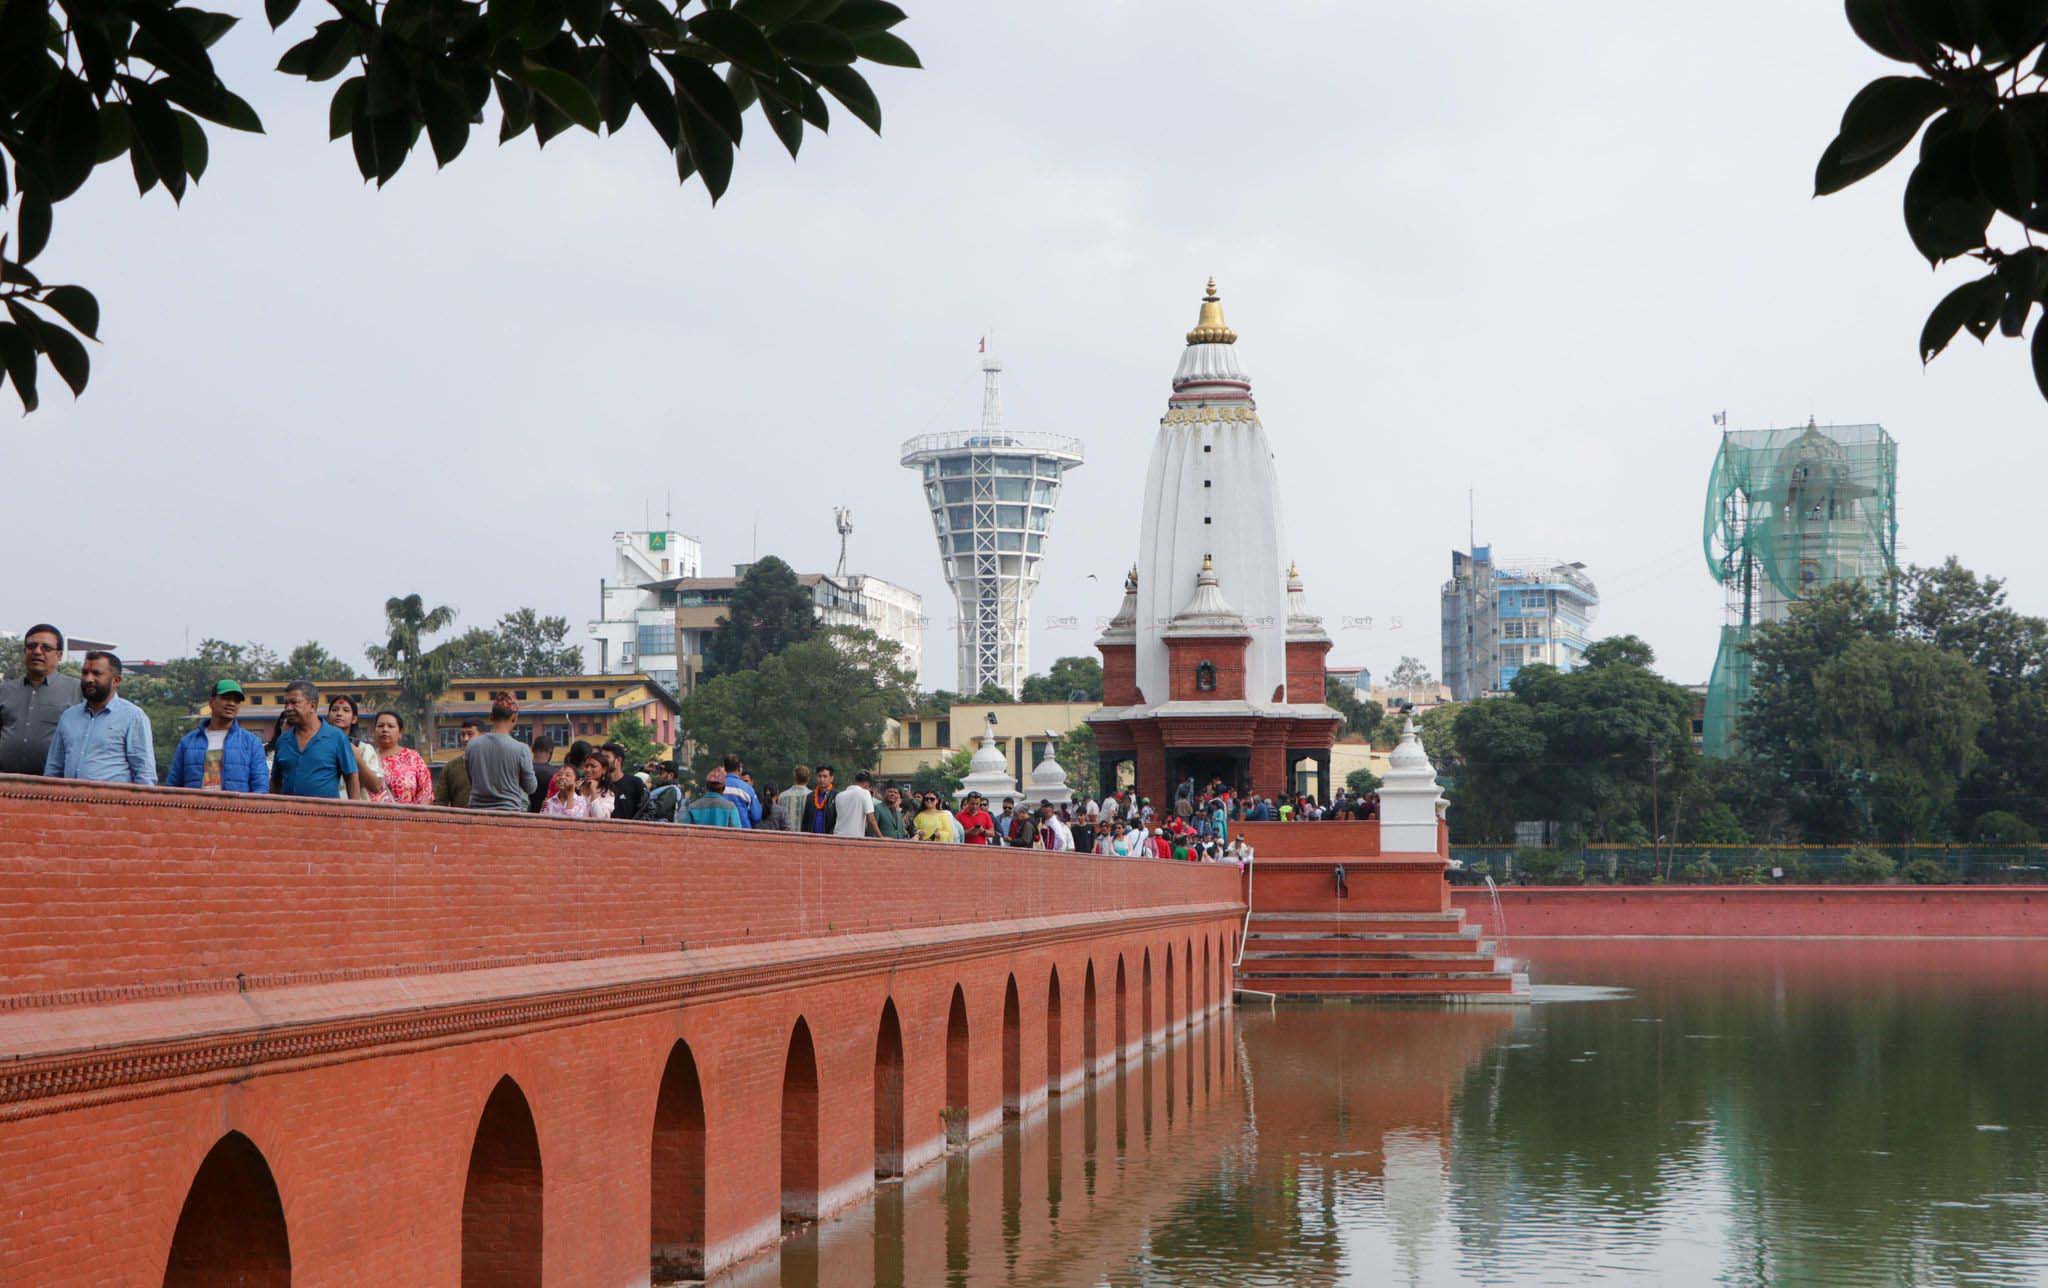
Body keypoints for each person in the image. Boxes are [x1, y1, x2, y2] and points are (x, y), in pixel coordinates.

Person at [0, 623, 82, 775]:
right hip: (6, 785)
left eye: (46, 648)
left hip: (53, 787)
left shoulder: (77, 690)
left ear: (59, 655)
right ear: (25, 651)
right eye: (31, 646)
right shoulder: (5, 690)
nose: (37, 651)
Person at [167, 679, 267, 793]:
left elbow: (260, 787)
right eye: (226, 698)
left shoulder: (252, 743)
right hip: (196, 810)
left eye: (236, 700)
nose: (231, 703)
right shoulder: (188, 742)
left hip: (235, 810)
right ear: (212, 702)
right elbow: (173, 786)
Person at [271, 679, 360, 798]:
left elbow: (351, 777)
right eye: (286, 703)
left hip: (327, 814)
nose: (288, 708)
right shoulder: (282, 741)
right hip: (289, 815)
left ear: (312, 706)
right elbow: (275, 781)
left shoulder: (336, 737)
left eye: (294, 702)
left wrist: (353, 814)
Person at [465, 693, 537, 812]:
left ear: (491, 717)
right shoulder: (521, 749)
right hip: (509, 816)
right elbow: (531, 788)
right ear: (514, 718)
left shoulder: (472, 746)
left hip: (476, 814)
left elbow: (472, 781)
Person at [326, 695, 386, 800]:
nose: (339, 714)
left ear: (354, 719)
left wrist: (357, 758)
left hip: (355, 811)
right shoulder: (319, 746)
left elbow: (376, 787)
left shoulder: (363, 749)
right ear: (328, 717)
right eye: (334, 710)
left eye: (345, 710)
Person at [367, 711, 432, 804]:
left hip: (409, 817)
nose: (385, 729)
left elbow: (426, 792)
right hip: (372, 817)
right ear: (374, 731)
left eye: (390, 726)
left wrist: (417, 817)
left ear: (400, 733)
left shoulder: (413, 757)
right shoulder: (367, 757)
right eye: (380, 726)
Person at [433, 719, 482, 806]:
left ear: (482, 736)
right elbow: (440, 801)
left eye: (470, 734)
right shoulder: (450, 767)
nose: (465, 739)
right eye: (463, 735)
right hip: (459, 818)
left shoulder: (492, 765)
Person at [601, 742, 645, 821]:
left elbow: (645, 809)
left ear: (618, 760)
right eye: (601, 757)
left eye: (606, 757)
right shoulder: (599, 784)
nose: (602, 761)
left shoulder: (635, 783)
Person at [830, 769, 880, 838]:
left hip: (837, 836)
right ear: (867, 784)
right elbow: (871, 820)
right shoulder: (865, 793)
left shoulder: (839, 795)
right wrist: (881, 837)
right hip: (854, 838)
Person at [719, 753, 760, 828]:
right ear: (739, 769)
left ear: (724, 768)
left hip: (720, 833)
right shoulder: (748, 789)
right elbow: (756, 816)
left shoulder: (717, 786)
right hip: (743, 834)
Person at [801, 764, 840, 834]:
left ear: (831, 778)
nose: (822, 779)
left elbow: (839, 820)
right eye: (819, 776)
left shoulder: (837, 796)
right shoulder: (810, 796)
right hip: (811, 838)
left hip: (829, 838)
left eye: (825, 776)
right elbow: (805, 821)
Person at [578, 754, 615, 819]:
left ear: (604, 769)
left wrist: (593, 791)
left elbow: (600, 818)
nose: (588, 770)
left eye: (593, 766)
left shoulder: (607, 794)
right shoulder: (576, 787)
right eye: (586, 766)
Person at [775, 765, 811, 831]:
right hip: (805, 837)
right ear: (808, 778)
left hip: (787, 836)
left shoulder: (782, 796)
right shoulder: (813, 796)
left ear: (794, 777)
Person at [526, 736, 556, 812]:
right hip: (546, 816)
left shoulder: (524, 769)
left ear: (532, 749)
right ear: (551, 751)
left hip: (523, 815)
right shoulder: (555, 773)